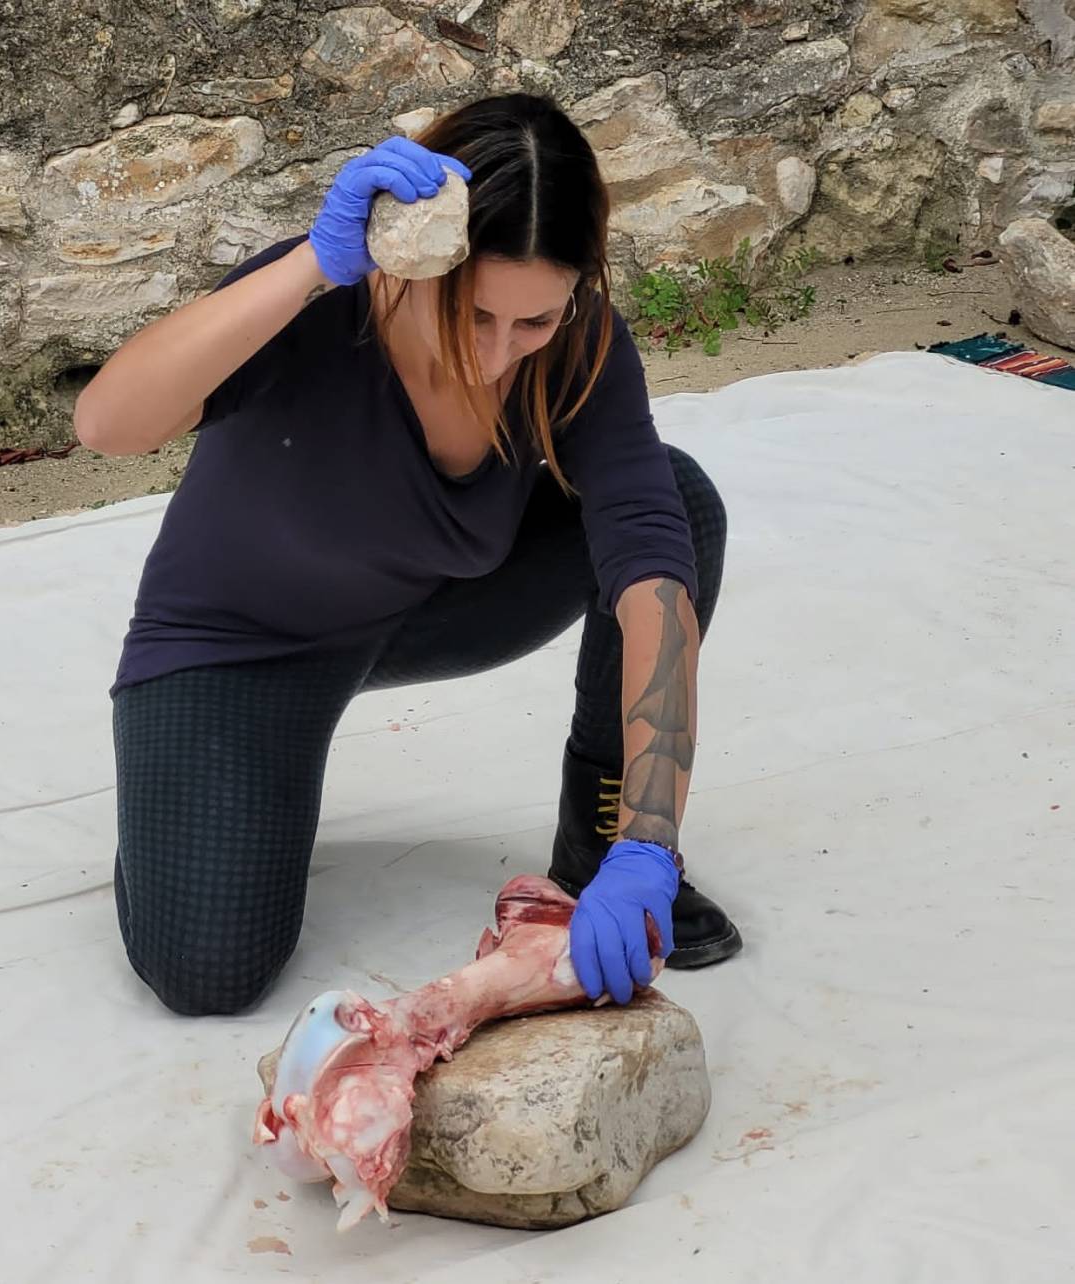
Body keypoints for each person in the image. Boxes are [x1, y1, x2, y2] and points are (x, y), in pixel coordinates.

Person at [75, 92, 743, 1018]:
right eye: (474, 316)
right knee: (206, 975)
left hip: (426, 608)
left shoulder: (578, 343)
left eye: (535, 322)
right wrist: (311, 261)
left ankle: (593, 853)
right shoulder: (323, 298)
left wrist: (647, 839)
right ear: (415, 260)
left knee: (677, 506)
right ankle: (182, 802)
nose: (504, 354)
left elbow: (647, 555)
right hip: (243, 651)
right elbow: (107, 426)